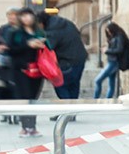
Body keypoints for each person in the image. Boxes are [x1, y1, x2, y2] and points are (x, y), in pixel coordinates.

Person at [7, 8, 47, 137]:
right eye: (23, 16)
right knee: (24, 98)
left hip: (37, 69)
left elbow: (49, 47)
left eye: (29, 15)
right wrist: (28, 44)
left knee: (34, 98)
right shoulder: (16, 33)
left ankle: (32, 126)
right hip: (21, 70)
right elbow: (11, 50)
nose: (27, 18)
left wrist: (43, 44)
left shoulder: (39, 32)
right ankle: (25, 127)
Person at [38, 10, 88, 99]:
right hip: (80, 58)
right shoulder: (64, 22)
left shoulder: (52, 30)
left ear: (41, 23)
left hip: (67, 61)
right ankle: (73, 109)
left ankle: (68, 109)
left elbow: (49, 46)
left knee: (60, 86)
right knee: (74, 87)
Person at [93, 22, 129, 98]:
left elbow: (119, 50)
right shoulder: (114, 37)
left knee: (98, 80)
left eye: (109, 31)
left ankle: (95, 99)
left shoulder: (119, 37)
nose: (109, 33)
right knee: (111, 84)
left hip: (114, 62)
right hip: (111, 61)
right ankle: (108, 100)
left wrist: (107, 50)